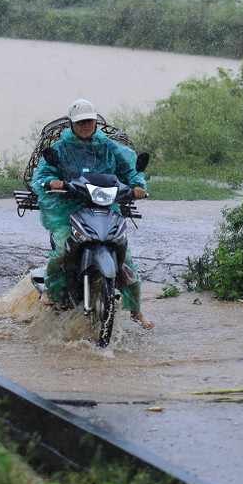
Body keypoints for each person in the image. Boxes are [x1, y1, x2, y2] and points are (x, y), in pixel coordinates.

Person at [31, 99, 154, 330]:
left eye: (89, 121)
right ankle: (51, 289)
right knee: (61, 248)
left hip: (105, 206)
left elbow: (130, 169)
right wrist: (52, 181)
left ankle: (137, 311)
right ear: (71, 124)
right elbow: (41, 176)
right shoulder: (61, 148)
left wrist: (137, 185)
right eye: (80, 122)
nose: (85, 125)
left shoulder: (108, 146)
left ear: (95, 122)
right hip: (68, 206)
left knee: (126, 257)